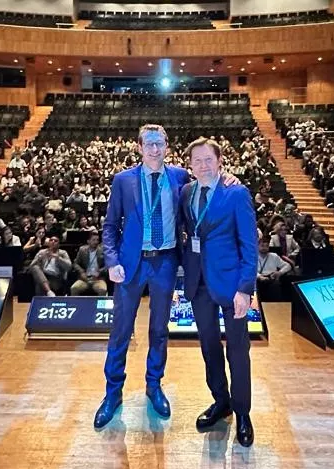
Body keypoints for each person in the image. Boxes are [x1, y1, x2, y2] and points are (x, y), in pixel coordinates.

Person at [95, 124, 238, 429]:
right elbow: (109, 227)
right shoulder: (123, 181)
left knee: (159, 330)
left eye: (160, 144)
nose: (155, 149)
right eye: (149, 144)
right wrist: (112, 259)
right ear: (139, 147)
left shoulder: (180, 177)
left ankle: (154, 386)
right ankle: (112, 393)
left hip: (166, 262)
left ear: (167, 146)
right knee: (121, 330)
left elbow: (208, 184)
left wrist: (227, 178)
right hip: (130, 265)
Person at [180, 137, 257, 447]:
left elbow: (249, 245)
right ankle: (221, 401)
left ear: (220, 160)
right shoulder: (186, 192)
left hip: (230, 285)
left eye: (208, 159)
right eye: (196, 160)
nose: (202, 164)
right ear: (190, 165)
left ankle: (243, 412)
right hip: (198, 284)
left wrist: (245, 289)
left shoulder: (237, 193)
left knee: (237, 352)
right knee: (209, 348)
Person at [71, 231, 107, 296]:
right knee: (74, 288)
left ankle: (100, 306)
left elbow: (108, 265)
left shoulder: (102, 250)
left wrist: (100, 271)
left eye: (97, 240)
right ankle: (76, 306)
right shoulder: (82, 250)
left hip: (98, 279)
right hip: (84, 279)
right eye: (93, 240)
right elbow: (75, 263)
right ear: (88, 241)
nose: (96, 242)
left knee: (103, 290)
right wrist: (81, 272)